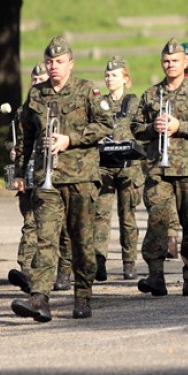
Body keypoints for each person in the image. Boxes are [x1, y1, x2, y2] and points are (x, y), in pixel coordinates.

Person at [10, 36, 113, 322]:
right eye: (49, 62)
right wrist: (20, 173)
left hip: (81, 177)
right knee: (46, 239)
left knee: (81, 240)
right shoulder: (36, 94)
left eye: (59, 62)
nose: (53, 67)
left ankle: (82, 294)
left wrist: (71, 139)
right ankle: (40, 298)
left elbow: (104, 125)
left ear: (70, 63)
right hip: (48, 179)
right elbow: (26, 136)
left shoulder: (86, 90)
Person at [132, 39, 188, 298]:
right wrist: (152, 128)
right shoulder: (151, 93)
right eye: (166, 61)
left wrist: (179, 126)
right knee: (157, 222)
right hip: (160, 168)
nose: (170, 65)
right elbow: (136, 127)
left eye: (175, 61)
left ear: (186, 63)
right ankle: (156, 275)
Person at [95, 56, 144, 281]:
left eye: (114, 75)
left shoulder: (134, 102)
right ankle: (99, 261)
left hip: (128, 166)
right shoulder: (99, 103)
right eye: (107, 75)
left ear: (125, 78)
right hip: (104, 166)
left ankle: (129, 261)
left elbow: (142, 129)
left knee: (127, 216)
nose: (109, 79)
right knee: (101, 215)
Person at [8, 62, 48, 293]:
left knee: (53, 227)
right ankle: (26, 270)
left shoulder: (55, 106)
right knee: (30, 222)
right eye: (34, 81)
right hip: (30, 175)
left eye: (41, 80)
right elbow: (12, 139)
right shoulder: (23, 112)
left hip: (53, 172)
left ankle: (62, 270)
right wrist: (12, 149)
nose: (37, 85)